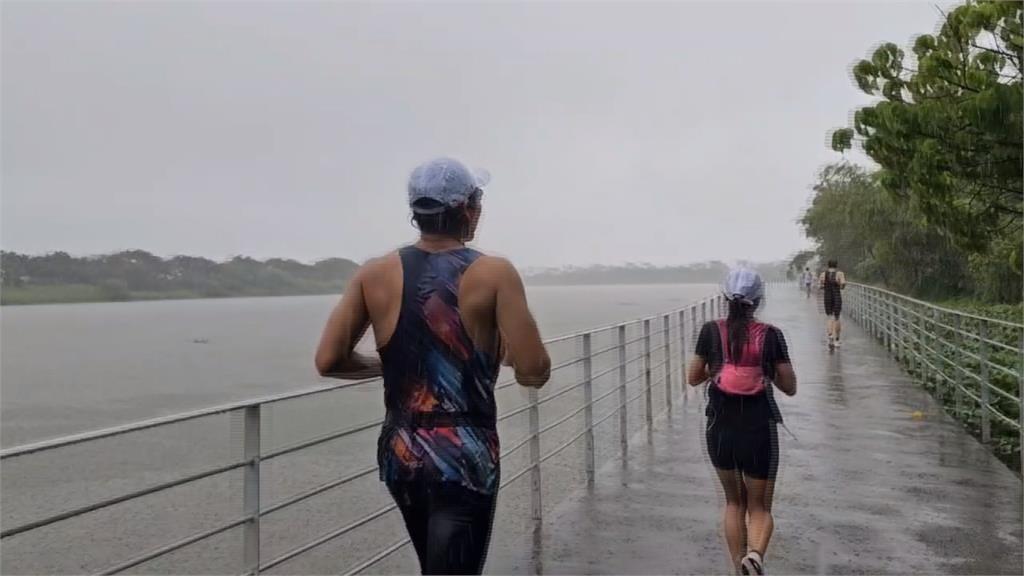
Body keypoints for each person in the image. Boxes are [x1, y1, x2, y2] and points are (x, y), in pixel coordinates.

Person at [315, 157, 551, 575]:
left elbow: (329, 359)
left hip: (401, 452)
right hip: (464, 456)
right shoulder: (493, 273)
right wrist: (505, 353)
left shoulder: (374, 273)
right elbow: (534, 370)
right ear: (468, 209)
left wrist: (393, 365)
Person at [686, 268, 796, 576]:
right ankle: (755, 556)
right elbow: (790, 386)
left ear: (725, 298)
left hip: (719, 428)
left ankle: (739, 569)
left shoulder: (709, 331)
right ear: (758, 300)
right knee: (759, 507)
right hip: (759, 428)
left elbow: (693, 377)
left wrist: (718, 369)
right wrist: (764, 372)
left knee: (734, 503)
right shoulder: (771, 335)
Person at [819, 259, 846, 349]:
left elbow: (821, 286)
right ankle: (837, 340)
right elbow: (843, 284)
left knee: (829, 317)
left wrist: (825, 286)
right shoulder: (840, 273)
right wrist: (839, 285)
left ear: (828, 265)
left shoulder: (823, 274)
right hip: (837, 296)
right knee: (837, 317)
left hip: (827, 297)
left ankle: (830, 335)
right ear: (836, 265)